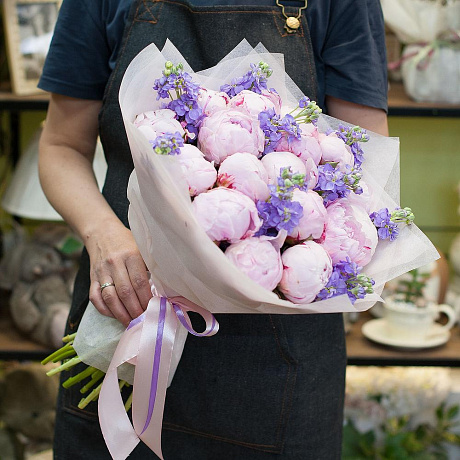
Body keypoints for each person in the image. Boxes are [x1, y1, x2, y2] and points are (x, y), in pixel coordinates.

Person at [38, 1, 388, 458]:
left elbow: (364, 167)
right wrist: (103, 232)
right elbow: (61, 144)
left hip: (274, 362)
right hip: (127, 311)